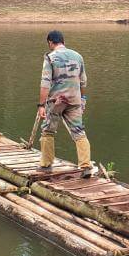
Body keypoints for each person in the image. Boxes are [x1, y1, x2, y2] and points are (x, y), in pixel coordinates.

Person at [36, 30, 96, 178]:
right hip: (75, 100)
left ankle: (46, 165)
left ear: (50, 42)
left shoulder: (50, 58)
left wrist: (41, 105)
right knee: (79, 131)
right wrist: (83, 99)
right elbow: (83, 81)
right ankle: (86, 165)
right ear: (63, 41)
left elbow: (45, 83)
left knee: (48, 131)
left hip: (56, 101)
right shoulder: (78, 56)